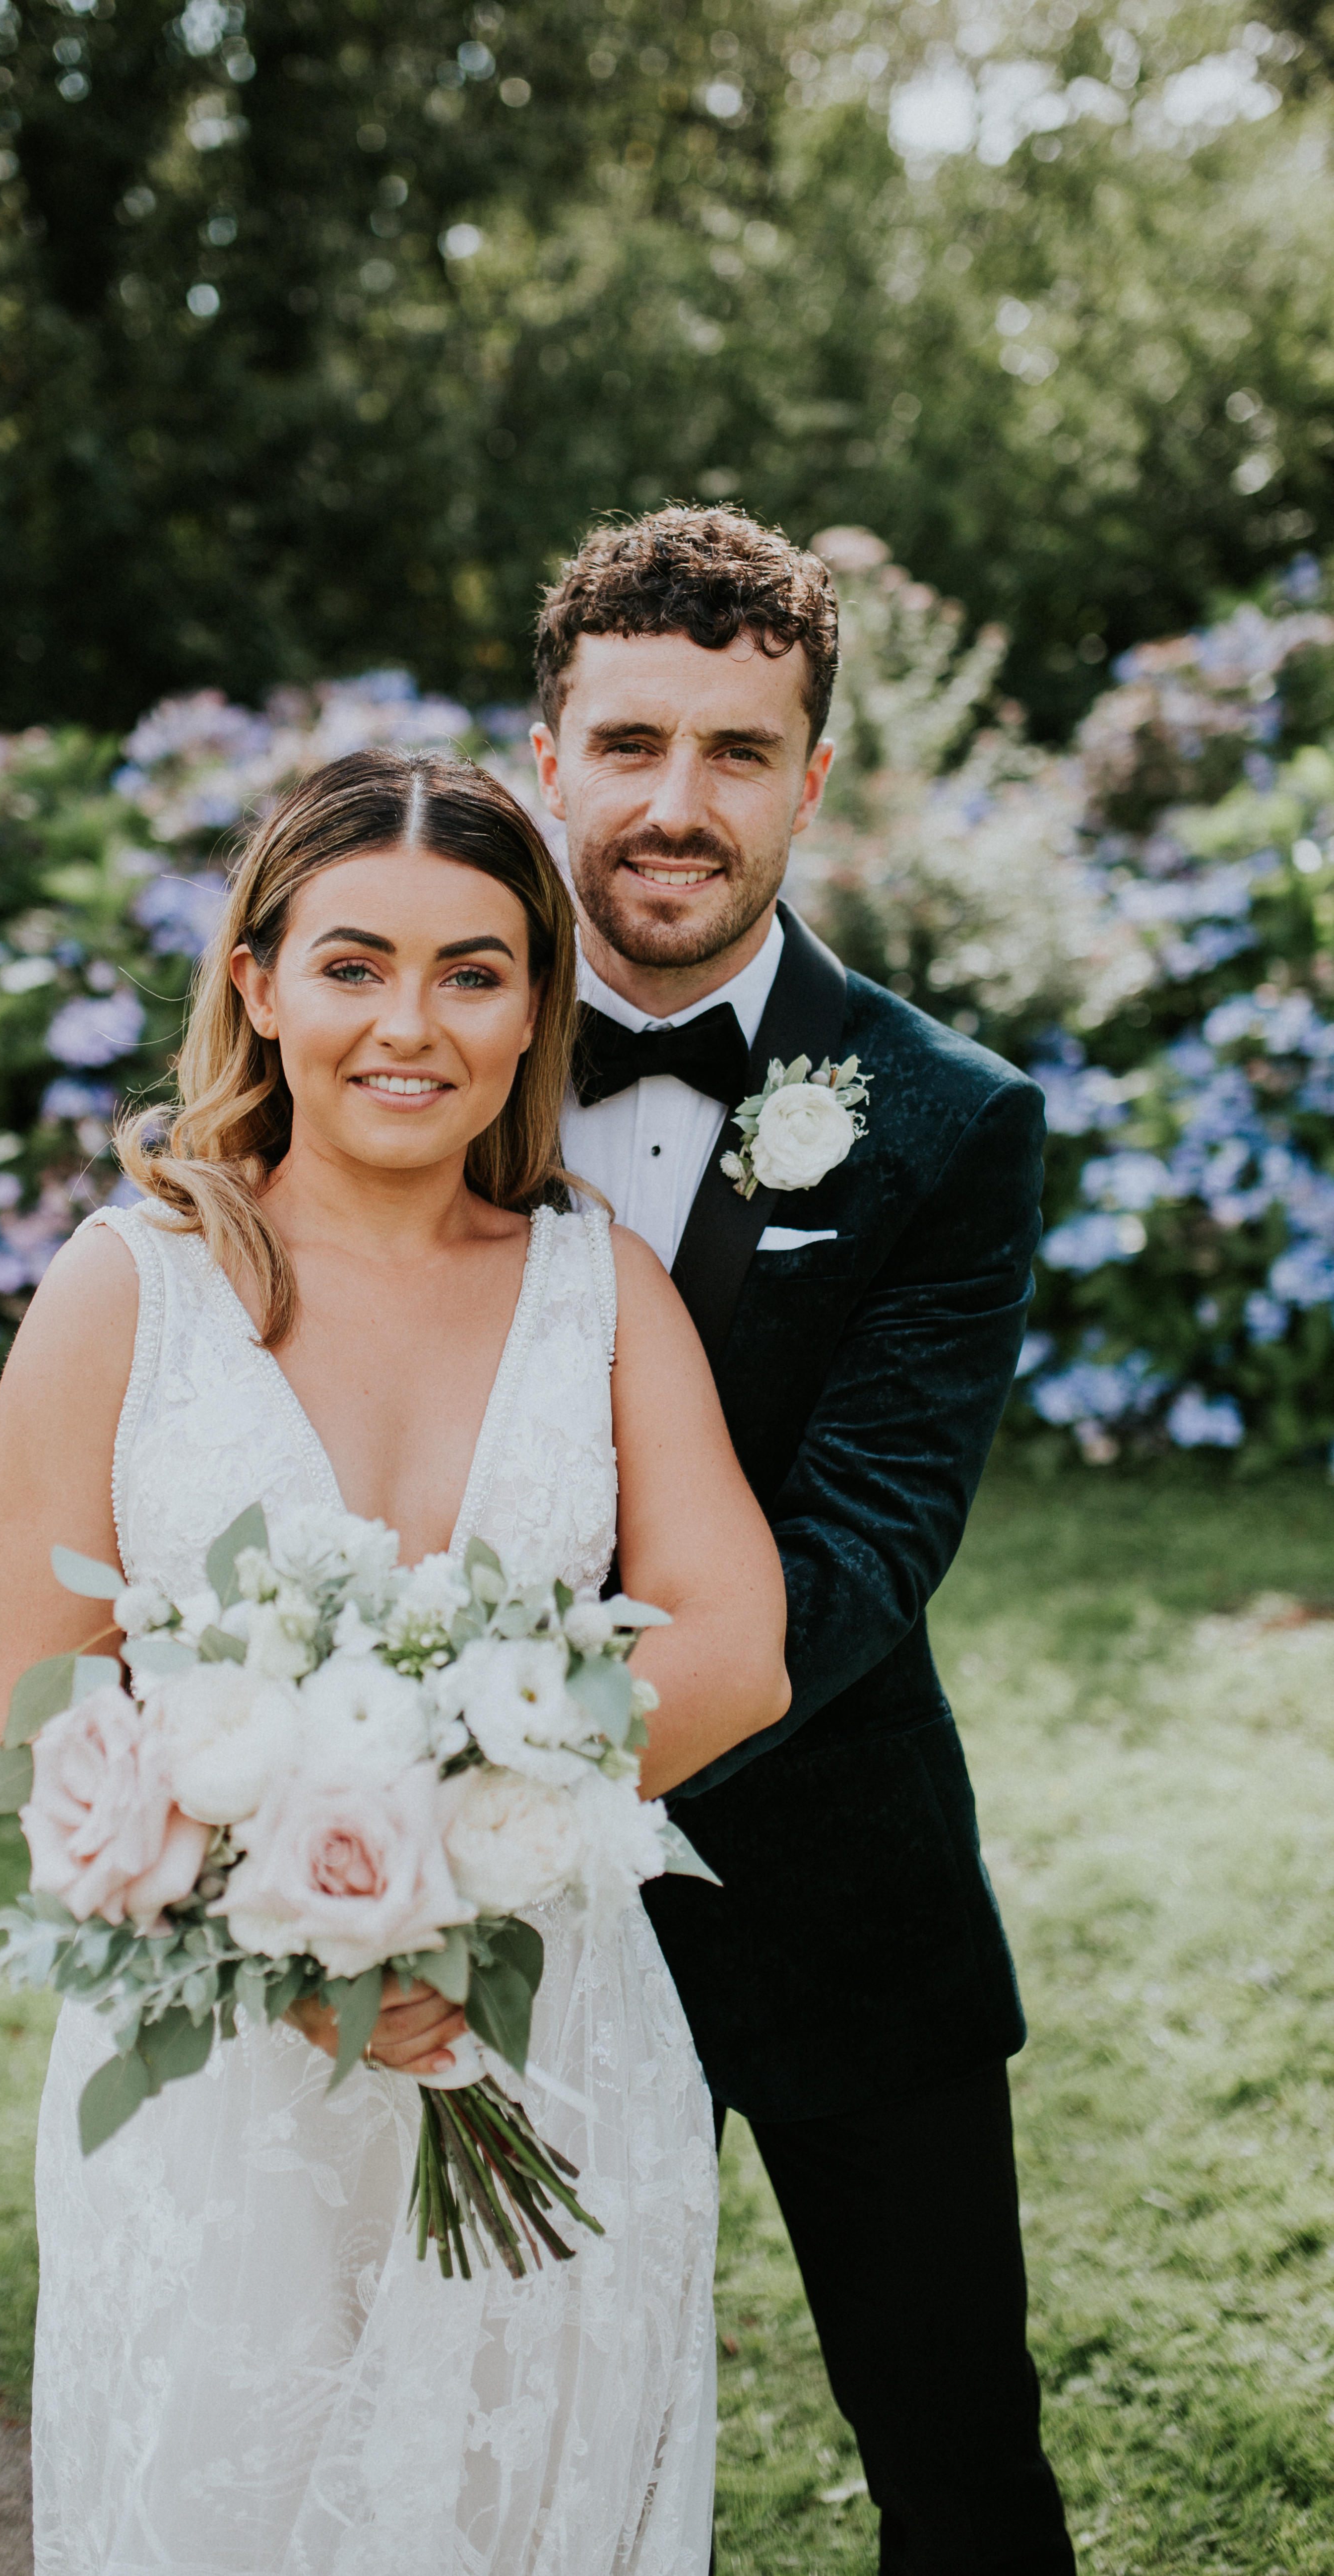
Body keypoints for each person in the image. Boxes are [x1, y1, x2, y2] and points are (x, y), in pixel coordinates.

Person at [0, 747, 791, 2576]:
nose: (407, 1023)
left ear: (535, 1011)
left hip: (547, 2034)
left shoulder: (599, 1285)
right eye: (353, 964)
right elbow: (48, 1715)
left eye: (472, 970)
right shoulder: (127, 1287)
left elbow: (733, 1650)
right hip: (218, 2085)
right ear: (259, 986)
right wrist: (297, 1944)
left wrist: (444, 1874)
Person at [535, 506, 1075, 2574]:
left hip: (843, 1899)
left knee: (953, 2464)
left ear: (811, 778)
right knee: (515, 2456)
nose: (677, 804)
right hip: (483, 1944)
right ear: (551, 754)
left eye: (735, 752)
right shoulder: (421, 1046)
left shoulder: (946, 1117)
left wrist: (521, 1773)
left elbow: (862, 1547)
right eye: (631, 742)